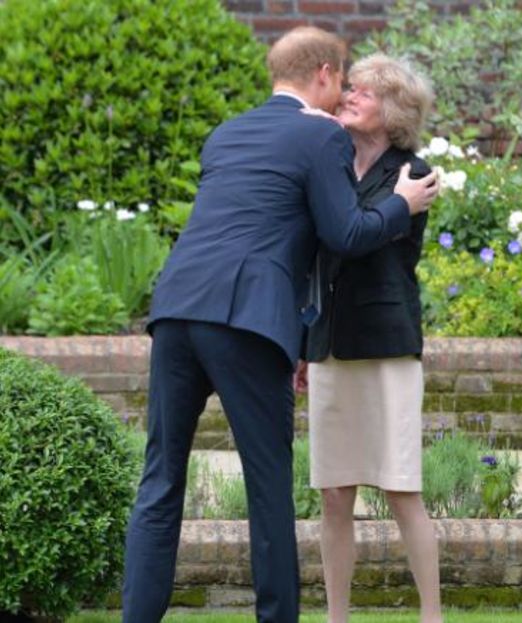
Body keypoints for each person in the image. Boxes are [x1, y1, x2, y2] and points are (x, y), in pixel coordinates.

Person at [122, 28, 439, 623]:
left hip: (175, 308)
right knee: (268, 486)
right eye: (342, 78)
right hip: (247, 319)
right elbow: (344, 233)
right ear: (323, 72)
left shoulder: (227, 132)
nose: (344, 91)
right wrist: (401, 205)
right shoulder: (319, 136)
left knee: (161, 478)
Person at [300, 54, 442, 623]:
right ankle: (337, 617)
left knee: (402, 489)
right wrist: (306, 344)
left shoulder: (415, 173)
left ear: (395, 111)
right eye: (349, 89)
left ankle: (432, 616)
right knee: (334, 495)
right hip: (330, 344)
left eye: (365, 92)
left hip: (386, 347)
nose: (350, 96)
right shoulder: (330, 164)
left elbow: (357, 237)